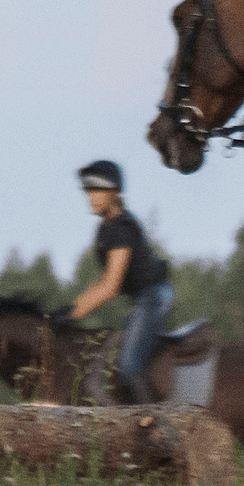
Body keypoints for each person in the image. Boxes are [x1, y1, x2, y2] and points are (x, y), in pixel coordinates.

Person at [58, 160, 175, 402]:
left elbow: (111, 287)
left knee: (129, 365)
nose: (91, 197)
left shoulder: (119, 228)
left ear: (114, 193)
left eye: (97, 190)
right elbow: (102, 281)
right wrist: (72, 308)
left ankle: (153, 424)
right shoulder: (107, 228)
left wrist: (72, 315)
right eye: (89, 191)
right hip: (145, 299)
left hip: (154, 298)